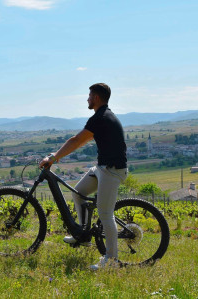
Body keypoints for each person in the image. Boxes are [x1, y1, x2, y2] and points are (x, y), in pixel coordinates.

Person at [39, 83, 127, 270]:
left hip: (112, 170)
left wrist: (54, 157)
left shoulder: (101, 117)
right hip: (102, 168)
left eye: (89, 95)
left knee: (105, 214)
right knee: (78, 192)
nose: (87, 99)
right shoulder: (103, 116)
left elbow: (77, 140)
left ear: (96, 98)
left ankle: (111, 261)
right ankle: (83, 234)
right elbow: (79, 141)